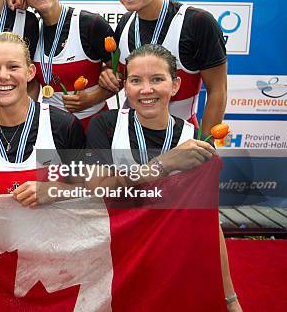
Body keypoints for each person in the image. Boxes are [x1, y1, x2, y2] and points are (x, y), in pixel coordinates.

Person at [87, 44, 241, 312]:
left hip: (174, 266)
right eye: (136, 80)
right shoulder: (106, 125)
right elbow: (97, 189)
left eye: (157, 79)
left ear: (175, 85)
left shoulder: (194, 141)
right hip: (117, 263)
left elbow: (208, 224)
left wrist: (230, 298)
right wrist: (164, 164)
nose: (146, 90)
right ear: (126, 87)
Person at [99, 0, 227, 136]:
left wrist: (204, 146)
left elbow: (218, 91)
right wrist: (108, 75)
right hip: (130, 139)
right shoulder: (124, 23)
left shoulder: (197, 22)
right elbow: (124, 78)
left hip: (181, 139)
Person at [0, 32, 85, 208]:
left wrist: (53, 190)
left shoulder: (65, 126)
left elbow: (89, 190)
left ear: (30, 72)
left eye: (13, 67)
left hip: (54, 234)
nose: (3, 76)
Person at [17, 0, 115, 130]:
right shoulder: (29, 29)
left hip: (93, 127)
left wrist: (92, 98)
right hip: (51, 129)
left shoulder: (90, 24)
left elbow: (124, 74)